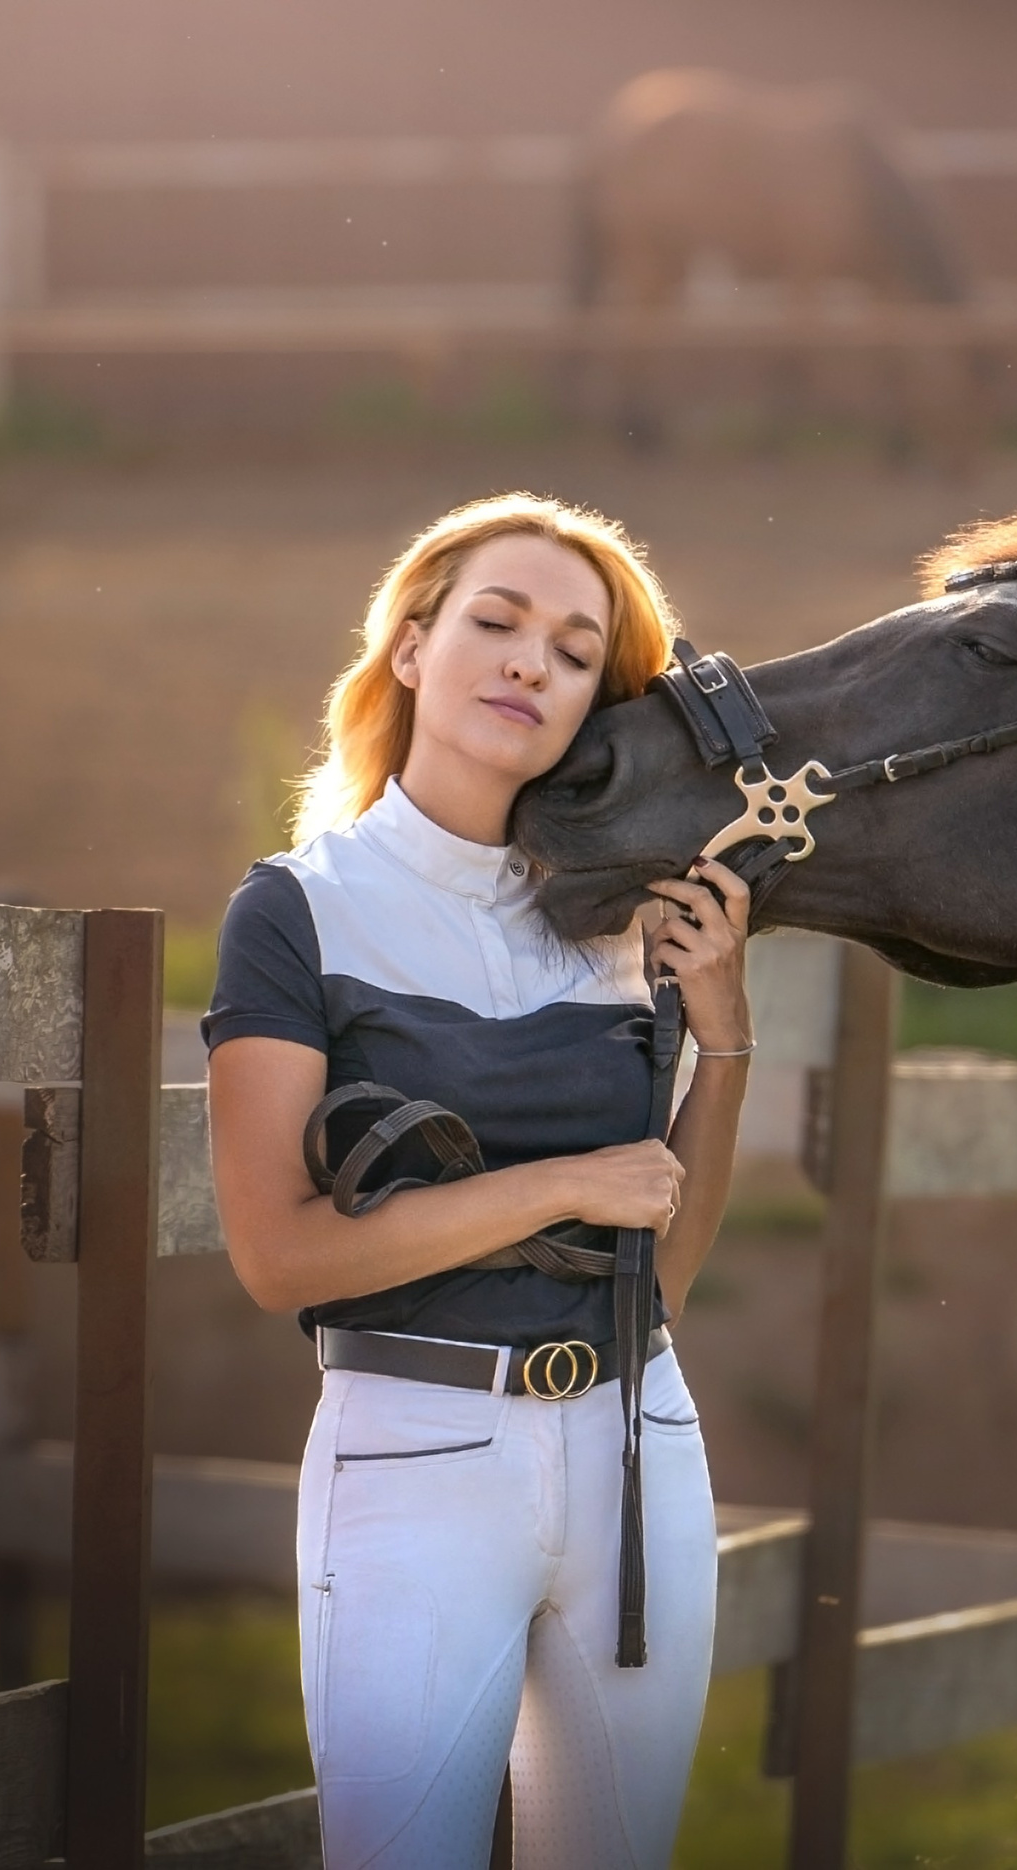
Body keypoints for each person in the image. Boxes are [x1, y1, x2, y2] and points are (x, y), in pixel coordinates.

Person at [203, 493, 750, 1868]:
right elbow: (279, 1256)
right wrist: (558, 1182)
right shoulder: (301, 908)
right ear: (409, 648)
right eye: (497, 623)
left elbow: (661, 1267)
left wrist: (727, 1033)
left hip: (639, 1448)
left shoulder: (633, 914)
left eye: (575, 652)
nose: (530, 663)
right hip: (410, 1452)